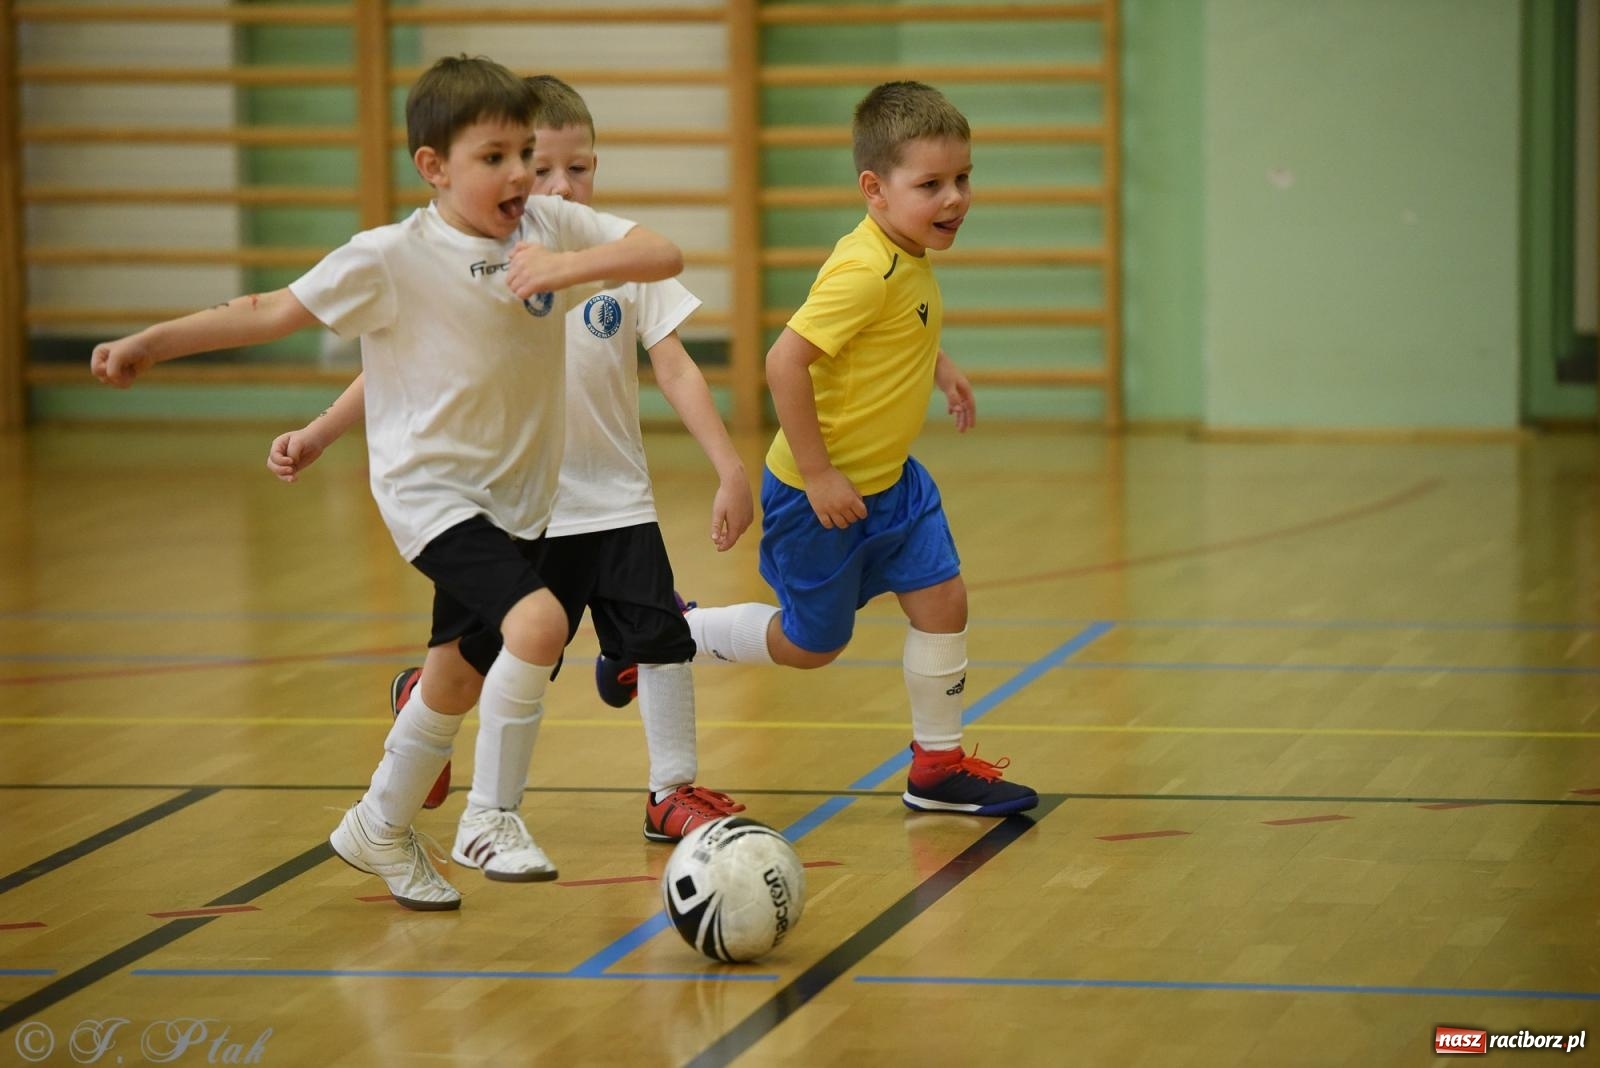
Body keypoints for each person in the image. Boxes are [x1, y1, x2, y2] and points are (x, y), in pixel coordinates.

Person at [91, 55, 686, 910]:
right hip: (432, 492)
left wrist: (566, 268)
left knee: (453, 676)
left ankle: (377, 823)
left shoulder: (549, 227)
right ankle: (490, 815)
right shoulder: (392, 257)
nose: (519, 173)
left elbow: (661, 253)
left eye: (525, 152)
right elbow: (269, 308)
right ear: (434, 168)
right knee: (542, 621)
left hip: (517, 496)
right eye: (493, 158)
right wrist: (152, 341)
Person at [267, 74, 754, 852]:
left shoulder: (609, 250)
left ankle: (672, 790)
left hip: (619, 495)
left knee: (663, 638)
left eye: (577, 168)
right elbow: (394, 370)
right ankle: (431, 725)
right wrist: (324, 430)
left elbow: (676, 366)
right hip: (528, 505)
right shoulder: (476, 263)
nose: (555, 185)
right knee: (499, 656)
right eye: (541, 166)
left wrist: (729, 467)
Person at [604, 81, 1036, 817]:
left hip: (895, 487)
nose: (956, 198)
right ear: (875, 189)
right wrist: (820, 473)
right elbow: (784, 362)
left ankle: (935, 768)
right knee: (811, 645)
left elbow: (894, 331)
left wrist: (941, 367)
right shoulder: (863, 269)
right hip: (819, 498)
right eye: (931, 184)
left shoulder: (905, 253)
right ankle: (662, 636)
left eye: (963, 178)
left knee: (944, 601)